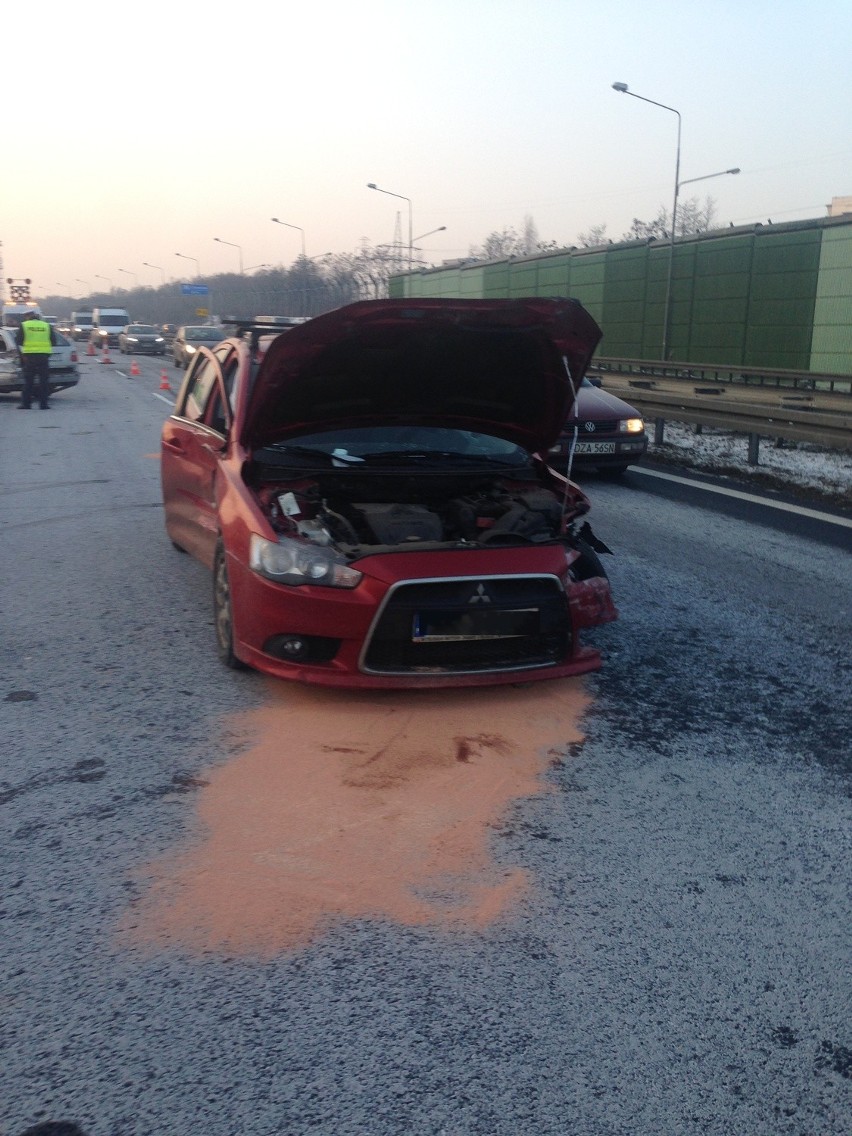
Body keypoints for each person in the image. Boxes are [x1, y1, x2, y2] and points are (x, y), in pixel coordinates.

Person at [15, 311, 58, 409]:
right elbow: (54, 341)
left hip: (29, 357)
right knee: (44, 381)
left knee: (28, 381)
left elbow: (18, 341)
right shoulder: (46, 325)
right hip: (43, 356)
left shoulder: (24, 325)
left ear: (28, 317)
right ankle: (43, 404)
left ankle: (26, 404)